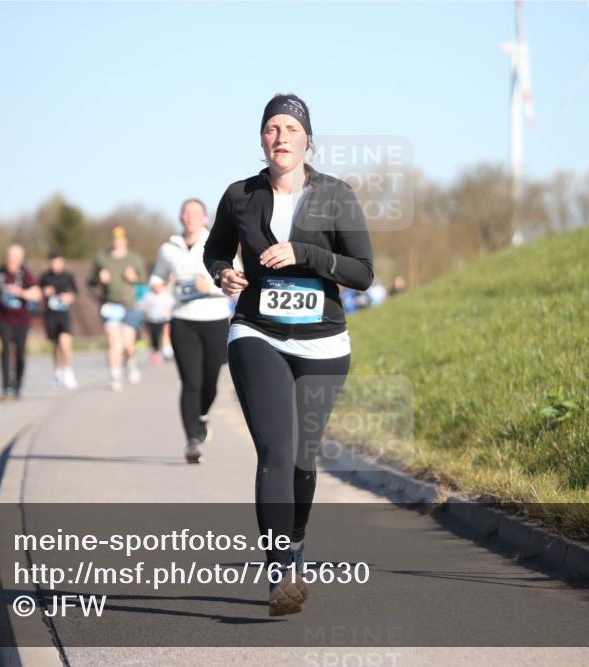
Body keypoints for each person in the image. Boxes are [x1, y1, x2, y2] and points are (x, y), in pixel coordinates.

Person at [204, 94, 373, 615]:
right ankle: (280, 572)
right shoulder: (239, 196)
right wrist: (222, 273)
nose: (281, 136)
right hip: (258, 333)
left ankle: (295, 541)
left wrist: (305, 254)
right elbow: (215, 250)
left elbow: (362, 273)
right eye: (272, 128)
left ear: (307, 140)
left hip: (323, 341)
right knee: (276, 449)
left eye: (290, 129)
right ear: (262, 138)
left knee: (303, 457)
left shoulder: (337, 196)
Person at [150, 199, 233, 464]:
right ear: (180, 217)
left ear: (205, 217)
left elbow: (239, 282)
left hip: (215, 317)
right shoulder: (168, 248)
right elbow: (156, 276)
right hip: (182, 319)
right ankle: (192, 441)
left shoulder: (221, 242)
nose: (190, 217)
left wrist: (208, 287)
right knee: (190, 382)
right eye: (186, 212)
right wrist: (157, 285)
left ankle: (202, 416)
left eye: (195, 213)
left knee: (209, 381)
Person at [89, 225, 146, 392]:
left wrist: (133, 277)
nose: (117, 241)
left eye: (120, 238)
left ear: (125, 240)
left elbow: (143, 280)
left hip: (129, 304)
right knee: (114, 343)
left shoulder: (134, 258)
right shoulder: (102, 258)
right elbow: (90, 282)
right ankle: (115, 376)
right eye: (114, 238)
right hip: (109, 305)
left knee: (128, 344)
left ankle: (131, 362)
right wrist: (100, 280)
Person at [0, 245, 41, 400]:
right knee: (5, 350)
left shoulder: (25, 274)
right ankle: (5, 388)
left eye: (15, 257)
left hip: (22, 320)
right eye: (9, 257)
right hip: (3, 318)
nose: (11, 260)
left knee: (20, 354)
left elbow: (37, 294)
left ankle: (17, 387)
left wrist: (21, 292)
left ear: (20, 259)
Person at [39, 250, 78, 389]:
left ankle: (68, 370)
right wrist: (44, 292)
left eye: (59, 262)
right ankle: (58, 371)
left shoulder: (68, 276)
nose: (56, 265)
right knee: (56, 345)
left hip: (64, 314)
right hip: (50, 315)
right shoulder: (44, 277)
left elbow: (75, 293)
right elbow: (38, 293)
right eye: (53, 262)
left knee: (65, 342)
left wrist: (69, 297)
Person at [139, 277, 174, 365]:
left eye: (159, 286)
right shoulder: (148, 296)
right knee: (154, 337)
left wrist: (168, 312)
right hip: (152, 320)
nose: (157, 288)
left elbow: (171, 306)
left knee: (166, 332)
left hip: (164, 319)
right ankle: (156, 352)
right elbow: (142, 307)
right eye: (155, 286)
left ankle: (167, 350)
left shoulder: (167, 295)